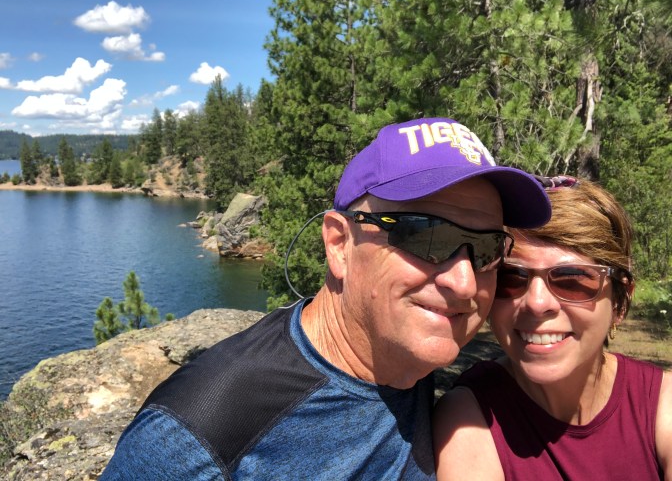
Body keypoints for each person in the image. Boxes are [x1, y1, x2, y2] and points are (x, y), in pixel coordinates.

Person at [100, 117, 551, 480]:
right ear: (339, 245)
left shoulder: (403, 355)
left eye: (488, 248)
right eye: (427, 236)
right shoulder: (198, 438)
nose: (465, 283)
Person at [433, 177, 672, 480]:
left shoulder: (661, 404)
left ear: (619, 302)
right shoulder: (469, 417)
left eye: (571, 280)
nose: (536, 303)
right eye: (511, 278)